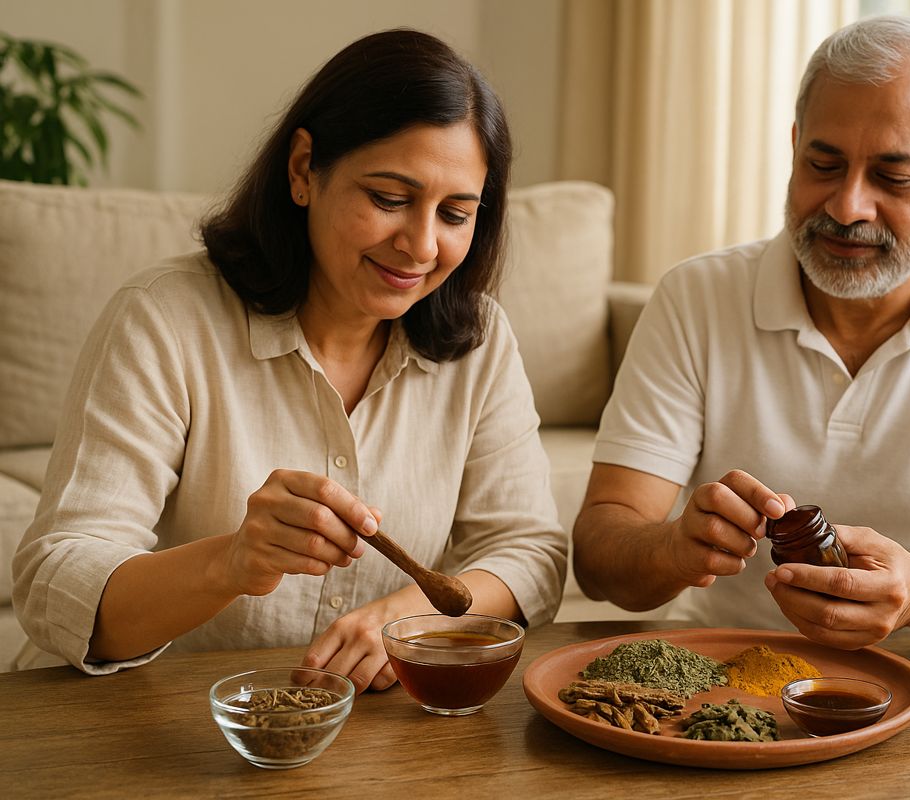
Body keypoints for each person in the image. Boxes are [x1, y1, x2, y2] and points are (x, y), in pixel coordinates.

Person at [572, 15, 910, 689]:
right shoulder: (696, 296)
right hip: (744, 674)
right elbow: (600, 552)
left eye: (893, 178)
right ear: (793, 149)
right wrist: (671, 547)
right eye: (823, 164)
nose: (846, 206)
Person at [12, 29, 566, 691]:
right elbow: (55, 583)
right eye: (389, 198)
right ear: (304, 170)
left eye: (455, 213)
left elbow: (532, 552)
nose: (420, 245)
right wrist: (232, 562)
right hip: (150, 724)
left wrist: (411, 617)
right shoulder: (164, 319)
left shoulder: (480, 340)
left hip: (365, 737)